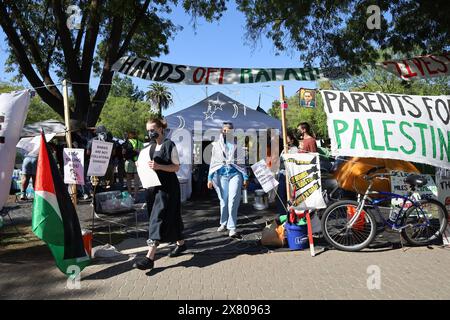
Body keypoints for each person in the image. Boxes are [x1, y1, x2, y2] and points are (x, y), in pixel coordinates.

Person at [134, 117, 185, 271]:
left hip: (168, 188)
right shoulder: (149, 148)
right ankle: (181, 243)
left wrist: (159, 166)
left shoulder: (169, 145)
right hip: (153, 188)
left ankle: (150, 257)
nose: (150, 133)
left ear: (161, 129)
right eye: (148, 130)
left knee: (158, 217)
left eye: (153, 130)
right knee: (172, 216)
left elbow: (176, 167)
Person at [207, 122, 248, 239]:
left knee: (233, 200)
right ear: (222, 131)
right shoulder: (216, 145)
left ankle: (232, 227)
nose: (226, 132)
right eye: (224, 130)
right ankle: (223, 222)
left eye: (229, 130)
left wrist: (245, 177)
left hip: (235, 174)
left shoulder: (237, 145)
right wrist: (210, 178)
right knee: (224, 201)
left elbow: (241, 162)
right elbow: (214, 162)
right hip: (221, 175)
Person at [123, 130, 143, 199]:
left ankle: (129, 194)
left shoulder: (126, 142)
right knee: (136, 180)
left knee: (128, 179)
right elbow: (142, 153)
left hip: (129, 161)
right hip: (138, 162)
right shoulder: (140, 143)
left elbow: (123, 152)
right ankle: (136, 195)